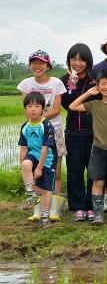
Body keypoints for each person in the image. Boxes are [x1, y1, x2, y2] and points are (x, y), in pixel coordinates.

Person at [66, 71, 107, 225]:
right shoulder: (94, 105)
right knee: (98, 181)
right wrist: (89, 93)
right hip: (98, 150)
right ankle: (98, 215)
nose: (106, 87)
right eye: (103, 84)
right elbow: (72, 106)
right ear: (98, 85)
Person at [18, 51, 67, 196]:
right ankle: (37, 200)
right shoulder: (26, 84)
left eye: (41, 63)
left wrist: (40, 118)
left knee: (55, 170)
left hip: (54, 129)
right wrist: (37, 120)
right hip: (33, 130)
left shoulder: (56, 83)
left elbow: (56, 110)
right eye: (34, 63)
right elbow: (27, 108)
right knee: (33, 165)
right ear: (30, 65)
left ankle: (56, 200)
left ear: (48, 66)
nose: (37, 66)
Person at [61, 43, 98, 221]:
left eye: (81, 59)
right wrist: (72, 86)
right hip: (72, 132)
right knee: (74, 169)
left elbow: (99, 102)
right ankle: (77, 207)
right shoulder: (64, 80)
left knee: (93, 170)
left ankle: (91, 205)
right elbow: (67, 105)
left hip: (93, 132)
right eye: (73, 59)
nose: (77, 63)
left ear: (88, 61)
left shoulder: (95, 79)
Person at [18, 93, 56, 227]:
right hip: (33, 155)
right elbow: (23, 148)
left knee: (46, 189)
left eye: (37, 106)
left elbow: (45, 148)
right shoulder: (25, 126)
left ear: (43, 109)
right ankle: (31, 195)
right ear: (25, 109)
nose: (33, 109)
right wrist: (22, 166)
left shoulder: (46, 125)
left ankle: (45, 217)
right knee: (26, 163)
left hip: (47, 159)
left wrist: (39, 167)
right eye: (29, 106)